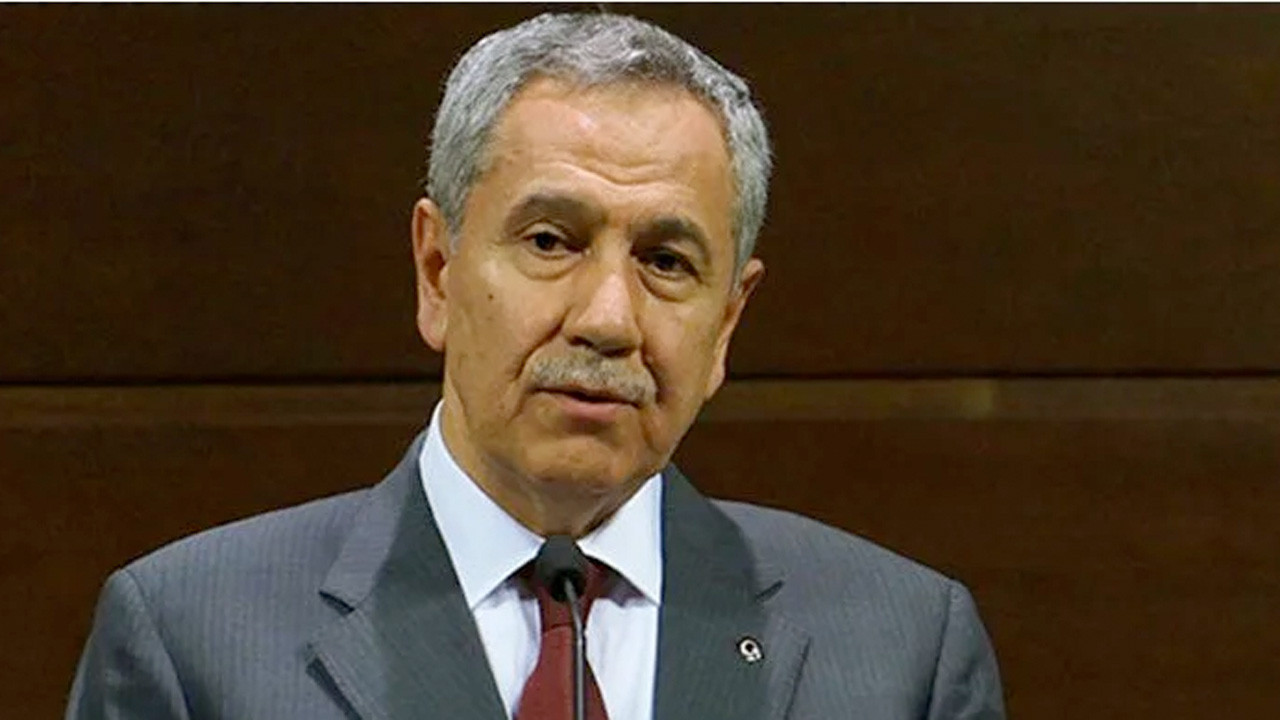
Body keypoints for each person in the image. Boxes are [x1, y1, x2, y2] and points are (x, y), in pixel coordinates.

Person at [67, 12, 1004, 720]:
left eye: (666, 261)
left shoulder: (902, 653)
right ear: (438, 271)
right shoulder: (194, 642)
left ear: (727, 322)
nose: (608, 319)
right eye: (552, 241)